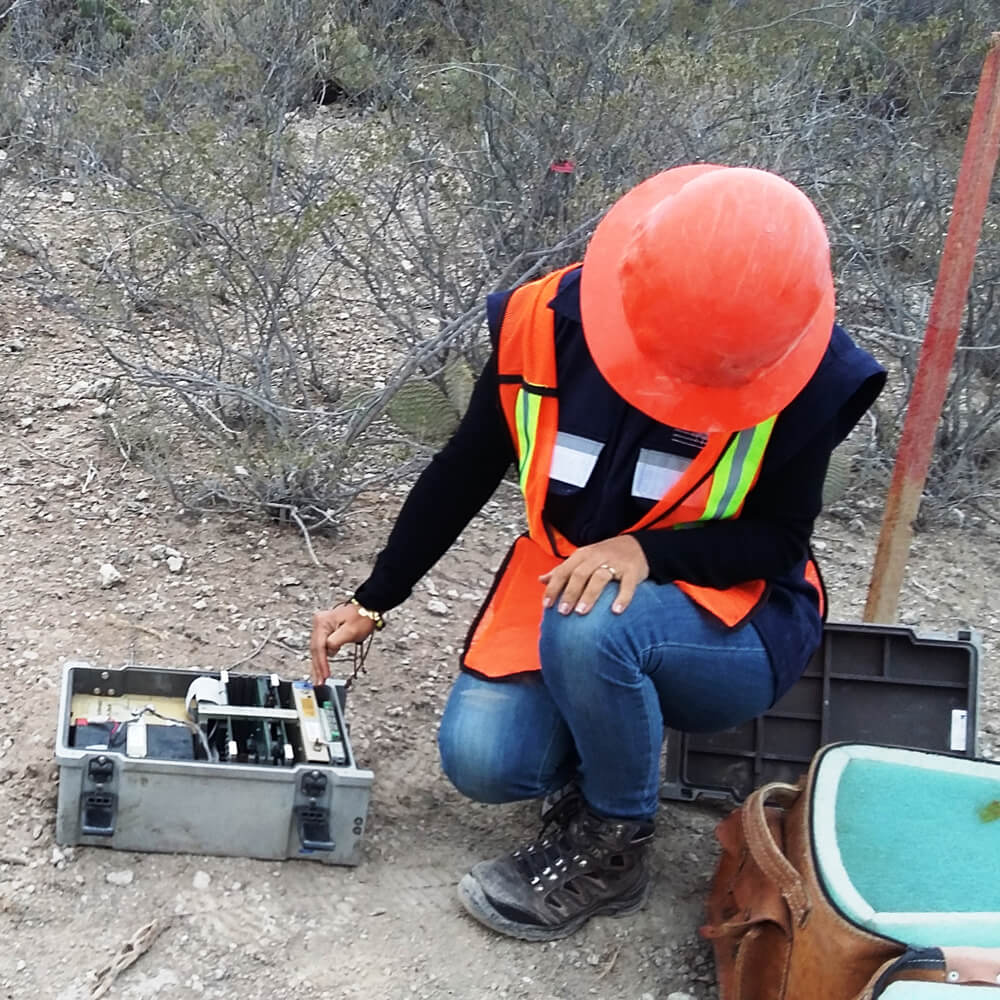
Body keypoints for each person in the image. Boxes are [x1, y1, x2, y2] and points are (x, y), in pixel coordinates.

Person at [309, 164, 886, 942]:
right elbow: (466, 468)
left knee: (595, 631)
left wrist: (646, 552)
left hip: (730, 618)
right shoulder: (542, 324)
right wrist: (375, 596)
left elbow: (779, 538)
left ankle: (614, 843)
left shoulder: (806, 371)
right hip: (567, 592)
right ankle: (609, 727)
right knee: (486, 763)